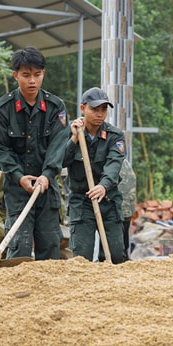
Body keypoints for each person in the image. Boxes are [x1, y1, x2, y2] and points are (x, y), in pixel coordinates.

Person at [0, 46, 68, 260]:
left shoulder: (56, 107)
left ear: (43, 74)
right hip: (17, 189)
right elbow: (0, 147)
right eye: (26, 75)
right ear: (16, 76)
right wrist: (18, 176)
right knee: (19, 246)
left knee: (50, 246)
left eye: (37, 74)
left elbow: (58, 145)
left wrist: (47, 175)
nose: (32, 80)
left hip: (46, 188)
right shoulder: (3, 109)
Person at [64, 87, 127, 263]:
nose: (100, 114)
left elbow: (114, 164)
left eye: (103, 109)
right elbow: (59, 161)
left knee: (115, 256)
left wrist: (103, 186)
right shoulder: (70, 132)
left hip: (108, 200)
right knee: (81, 257)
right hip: (82, 202)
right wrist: (74, 139)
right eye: (94, 109)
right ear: (83, 108)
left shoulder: (115, 135)